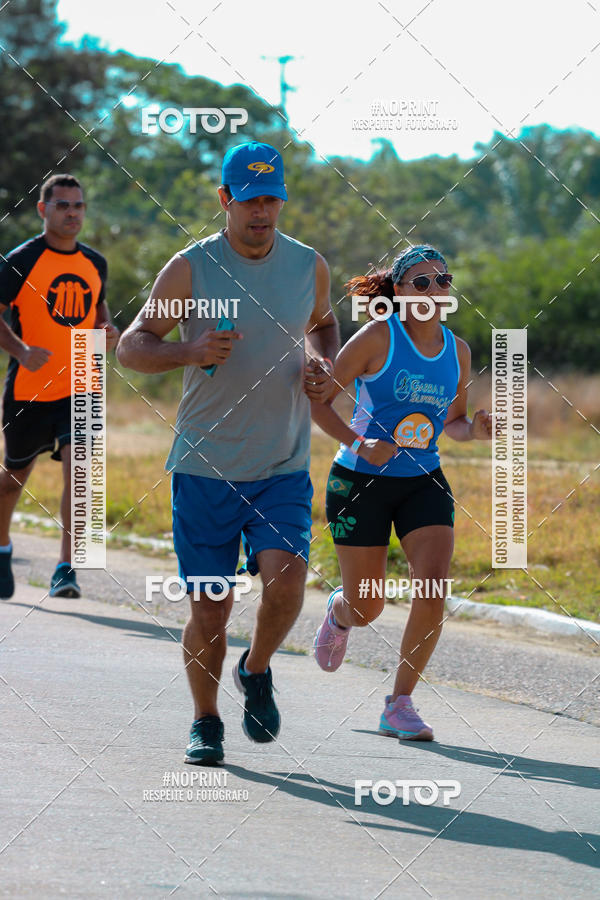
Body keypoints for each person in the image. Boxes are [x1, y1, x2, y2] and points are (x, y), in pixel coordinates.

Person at [117, 141, 339, 765]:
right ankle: (206, 721)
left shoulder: (308, 266)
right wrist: (188, 352)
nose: (262, 212)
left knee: (289, 583)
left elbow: (322, 324)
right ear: (225, 200)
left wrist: (324, 361)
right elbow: (132, 346)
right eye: (250, 200)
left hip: (281, 462)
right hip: (205, 465)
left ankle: (258, 668)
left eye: (272, 199)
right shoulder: (190, 269)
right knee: (209, 608)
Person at [311, 245, 491, 741]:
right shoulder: (376, 338)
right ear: (401, 291)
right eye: (422, 282)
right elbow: (320, 403)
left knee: (433, 588)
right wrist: (358, 442)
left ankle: (400, 703)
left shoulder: (457, 351)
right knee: (368, 607)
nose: (435, 291)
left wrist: (474, 431)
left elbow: (451, 422)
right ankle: (340, 614)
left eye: (442, 281)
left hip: (424, 482)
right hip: (359, 482)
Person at [0, 174, 120, 600]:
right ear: (43, 210)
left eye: (78, 206)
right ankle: (2, 546)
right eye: (63, 205)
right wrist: (19, 349)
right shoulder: (20, 260)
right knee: (14, 477)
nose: (72, 213)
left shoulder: (94, 262)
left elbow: (100, 313)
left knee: (82, 472)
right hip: (31, 385)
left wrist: (109, 333)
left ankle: (66, 567)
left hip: (83, 378)